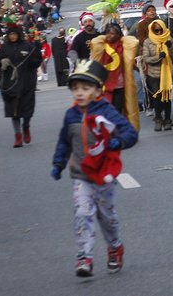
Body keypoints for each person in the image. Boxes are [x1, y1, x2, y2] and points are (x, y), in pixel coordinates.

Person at [51, 60, 138, 278]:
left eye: (85, 88)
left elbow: (130, 132)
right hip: (81, 175)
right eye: (76, 88)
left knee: (106, 216)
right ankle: (85, 257)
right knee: (83, 213)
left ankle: (114, 247)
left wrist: (119, 142)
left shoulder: (107, 111)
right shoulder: (71, 114)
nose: (79, 93)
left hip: (104, 175)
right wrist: (58, 163)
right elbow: (64, 140)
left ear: (98, 90)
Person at [0, 25, 44, 147]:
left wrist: (37, 49)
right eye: (10, 34)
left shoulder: (27, 46)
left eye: (14, 34)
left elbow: (35, 63)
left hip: (27, 83)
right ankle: (17, 135)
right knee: (13, 110)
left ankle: (26, 126)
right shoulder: (4, 48)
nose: (12, 36)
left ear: (19, 35)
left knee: (26, 110)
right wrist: (1, 63)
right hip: (10, 84)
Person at [90, 23, 141, 130]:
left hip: (120, 84)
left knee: (117, 108)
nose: (110, 36)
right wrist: (105, 37)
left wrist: (122, 38)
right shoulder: (102, 45)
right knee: (106, 108)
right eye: (108, 33)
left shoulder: (123, 45)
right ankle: (105, 129)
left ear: (118, 35)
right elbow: (95, 41)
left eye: (113, 33)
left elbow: (134, 41)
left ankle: (115, 130)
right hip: (105, 84)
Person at [141, 20, 173, 132]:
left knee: (167, 98)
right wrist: (159, 57)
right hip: (153, 75)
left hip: (167, 74)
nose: (159, 32)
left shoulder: (168, 38)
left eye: (160, 29)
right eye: (156, 30)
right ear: (152, 30)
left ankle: (168, 120)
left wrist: (170, 47)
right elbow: (146, 59)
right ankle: (158, 119)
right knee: (157, 99)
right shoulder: (147, 41)